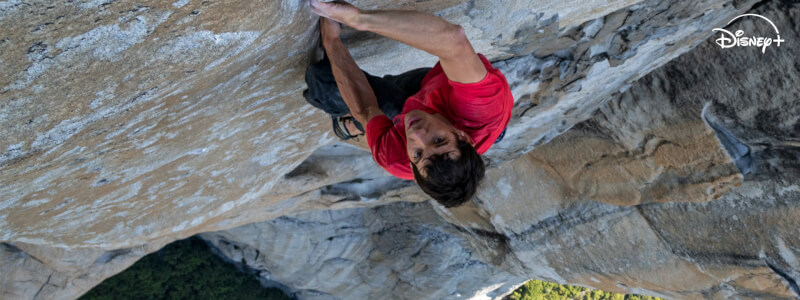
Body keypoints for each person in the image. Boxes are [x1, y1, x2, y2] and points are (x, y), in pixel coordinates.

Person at [304, 0, 513, 207]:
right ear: (462, 136)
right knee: (402, 94)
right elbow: (453, 41)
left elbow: (365, 109)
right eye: (439, 140)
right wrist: (358, 19)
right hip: (445, 99)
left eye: (418, 153)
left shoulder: (396, 158)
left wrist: (331, 41)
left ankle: (353, 127)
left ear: (412, 167)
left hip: (431, 105)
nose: (417, 134)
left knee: (324, 81)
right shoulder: (480, 110)